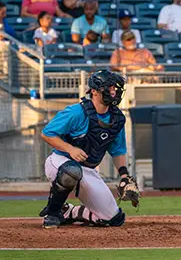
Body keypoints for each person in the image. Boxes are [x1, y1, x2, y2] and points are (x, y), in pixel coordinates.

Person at [37, 70, 136, 228]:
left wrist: (124, 176)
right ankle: (53, 212)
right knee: (71, 171)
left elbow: (118, 150)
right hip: (60, 161)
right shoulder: (76, 112)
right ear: (95, 92)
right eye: (109, 88)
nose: (114, 92)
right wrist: (70, 149)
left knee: (113, 219)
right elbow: (47, 134)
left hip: (88, 169)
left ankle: (68, 211)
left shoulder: (117, 119)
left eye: (115, 88)